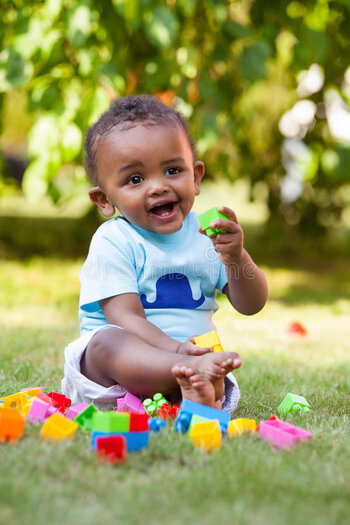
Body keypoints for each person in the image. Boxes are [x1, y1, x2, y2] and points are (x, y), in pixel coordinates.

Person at [62, 95, 268, 412]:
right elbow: (125, 317)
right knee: (107, 343)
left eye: (172, 170)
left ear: (196, 176)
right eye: (135, 179)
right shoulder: (114, 239)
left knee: (207, 360)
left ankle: (193, 389)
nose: (158, 187)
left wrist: (237, 259)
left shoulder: (207, 235)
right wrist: (177, 353)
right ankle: (187, 377)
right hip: (115, 373)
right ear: (104, 199)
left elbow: (252, 304)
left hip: (193, 361)